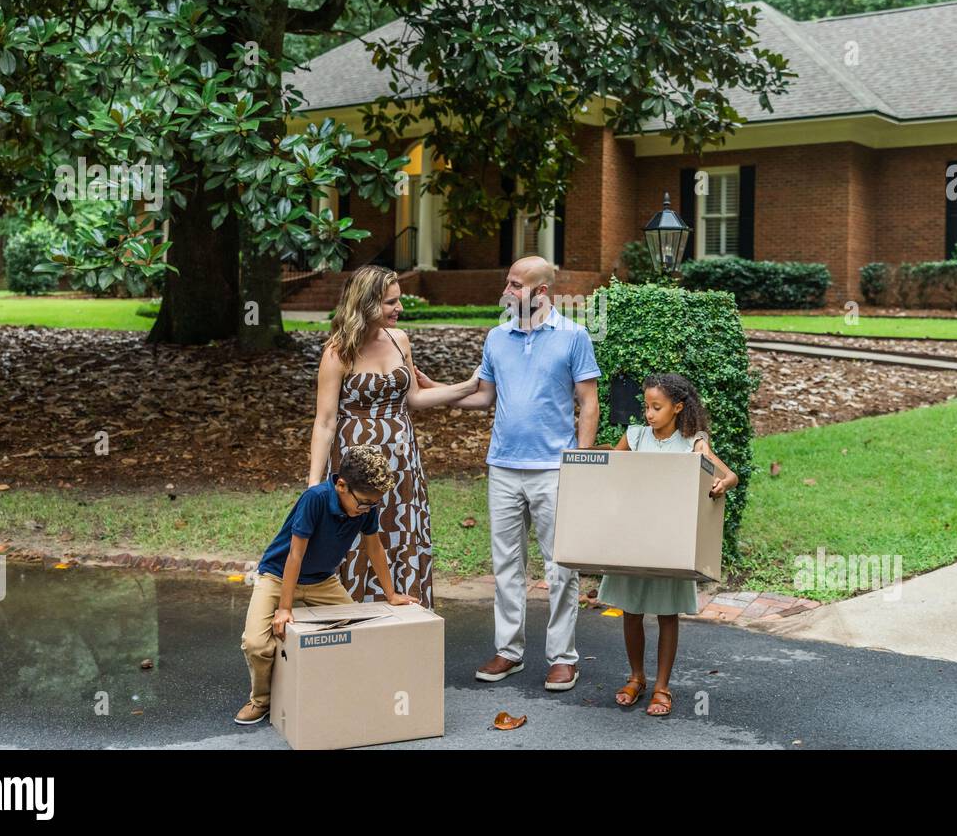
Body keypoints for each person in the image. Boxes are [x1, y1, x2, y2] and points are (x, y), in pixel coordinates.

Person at [425, 256, 600, 692]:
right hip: (503, 466)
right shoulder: (496, 338)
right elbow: (482, 398)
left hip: (553, 469)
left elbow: (589, 403)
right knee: (506, 565)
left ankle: (563, 658)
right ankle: (509, 651)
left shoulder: (573, 336)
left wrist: (580, 462)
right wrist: (434, 393)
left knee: (560, 567)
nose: (507, 291)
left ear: (542, 292)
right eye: (508, 282)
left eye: (516, 285)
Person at [308, 264, 479, 608]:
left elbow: (414, 398)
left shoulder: (400, 340)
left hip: (402, 463)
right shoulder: (337, 352)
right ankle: (355, 617)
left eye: (398, 301)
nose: (399, 308)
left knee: (400, 533)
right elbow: (325, 422)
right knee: (358, 533)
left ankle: (403, 617)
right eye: (391, 302)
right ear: (366, 303)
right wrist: (314, 485)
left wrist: (468, 385)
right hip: (355, 464)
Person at [235, 445, 417, 725]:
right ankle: (262, 700)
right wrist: (284, 608)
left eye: (373, 503)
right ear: (341, 485)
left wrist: (390, 594)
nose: (368, 509)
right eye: (365, 502)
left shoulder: (366, 506)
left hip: (322, 580)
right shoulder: (315, 499)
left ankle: (343, 691)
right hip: (277, 576)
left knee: (361, 631)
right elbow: (295, 555)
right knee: (257, 643)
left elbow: (375, 548)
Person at [597, 373, 738, 717]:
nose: (648, 413)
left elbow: (730, 475)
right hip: (633, 537)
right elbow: (610, 475)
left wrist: (720, 484)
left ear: (677, 408)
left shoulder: (692, 444)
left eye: (656, 407)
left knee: (666, 614)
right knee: (630, 610)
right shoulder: (634, 437)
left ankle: (662, 685)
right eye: (646, 406)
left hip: (670, 542)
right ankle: (636, 677)